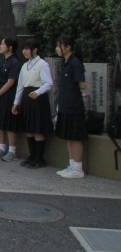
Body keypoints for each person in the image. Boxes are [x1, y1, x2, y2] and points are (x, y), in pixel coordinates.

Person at [12, 38, 53, 169]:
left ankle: (39, 158)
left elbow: (48, 83)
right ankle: (32, 155)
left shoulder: (42, 64)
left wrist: (38, 92)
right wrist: (16, 103)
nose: (24, 51)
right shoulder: (24, 65)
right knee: (29, 129)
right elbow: (20, 85)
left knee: (37, 129)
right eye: (23, 49)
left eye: (27, 49)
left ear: (35, 50)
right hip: (26, 97)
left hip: (38, 99)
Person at [55, 35, 88, 178]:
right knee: (68, 136)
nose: (57, 49)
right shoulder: (65, 62)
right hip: (65, 105)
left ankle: (78, 169)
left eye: (59, 46)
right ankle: (72, 165)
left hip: (74, 106)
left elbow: (82, 84)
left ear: (68, 47)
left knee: (75, 137)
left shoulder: (75, 62)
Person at [0, 37, 21, 162]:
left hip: (8, 96)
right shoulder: (0, 62)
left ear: (10, 47)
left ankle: (12, 151)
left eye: (2, 44)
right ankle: (1, 148)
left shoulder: (15, 62)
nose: (0, 46)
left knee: (9, 123)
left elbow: (11, 82)